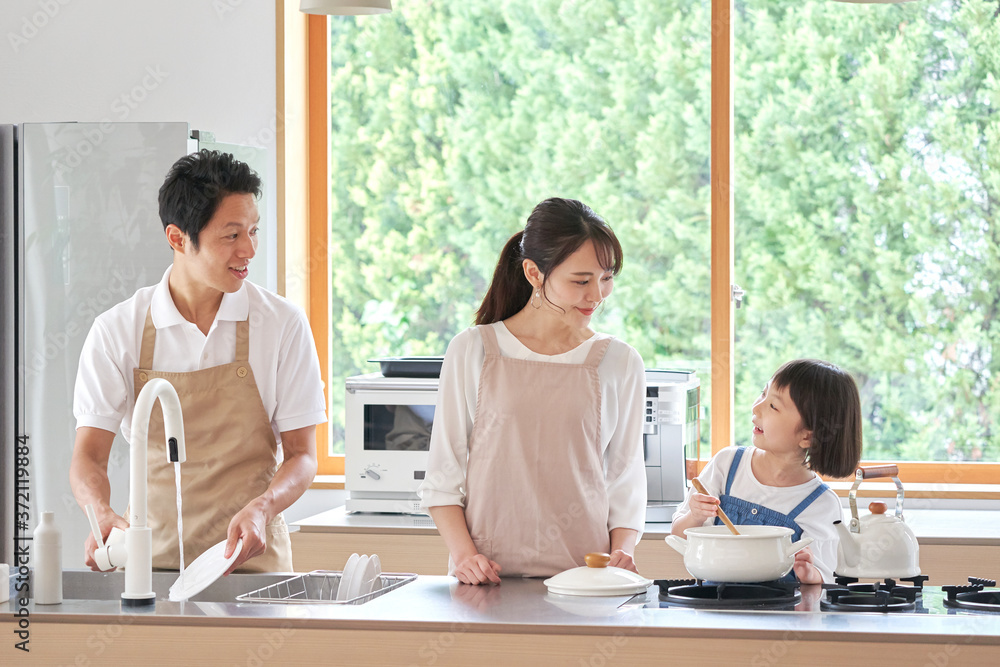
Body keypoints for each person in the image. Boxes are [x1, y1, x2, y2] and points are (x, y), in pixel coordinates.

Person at [70, 150, 325, 573]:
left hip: (252, 564)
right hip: (151, 566)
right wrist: (101, 513)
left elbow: (302, 455)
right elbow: (89, 457)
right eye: (231, 236)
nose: (249, 249)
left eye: (253, 231)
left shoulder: (281, 324)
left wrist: (263, 509)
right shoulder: (118, 329)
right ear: (178, 238)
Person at [418, 197, 647, 585]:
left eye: (606, 277)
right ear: (534, 273)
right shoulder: (473, 349)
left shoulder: (620, 361)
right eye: (581, 280)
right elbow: (443, 474)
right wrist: (464, 556)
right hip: (485, 579)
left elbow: (625, 480)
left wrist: (620, 555)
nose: (598, 295)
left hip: (586, 581)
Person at [670, 359, 863, 584]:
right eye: (763, 394)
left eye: (773, 406)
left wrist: (809, 573)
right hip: (713, 610)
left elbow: (827, 575)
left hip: (781, 615)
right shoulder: (727, 464)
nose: (756, 407)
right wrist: (695, 516)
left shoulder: (821, 504)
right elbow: (677, 535)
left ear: (807, 436)